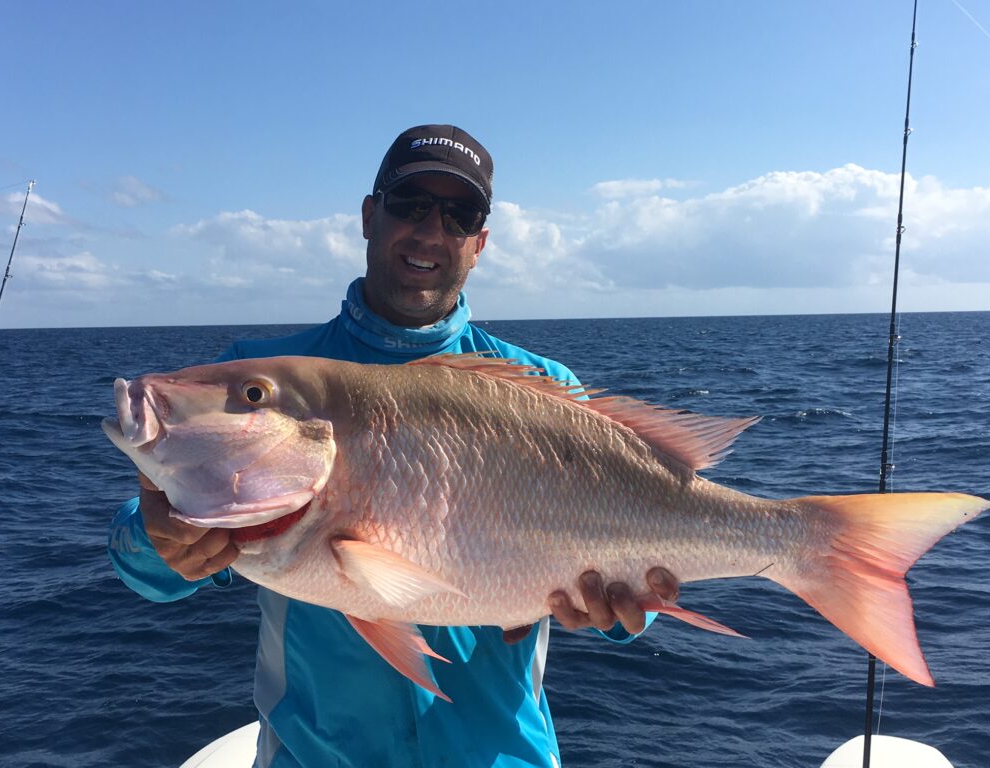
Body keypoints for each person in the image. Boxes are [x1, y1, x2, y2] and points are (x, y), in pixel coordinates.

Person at [108, 125, 678, 768]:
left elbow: (639, 605)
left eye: (459, 215)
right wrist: (158, 542)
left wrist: (626, 611)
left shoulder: (548, 395)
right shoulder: (259, 375)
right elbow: (147, 566)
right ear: (368, 215)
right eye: (410, 205)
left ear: (479, 243)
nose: (431, 231)